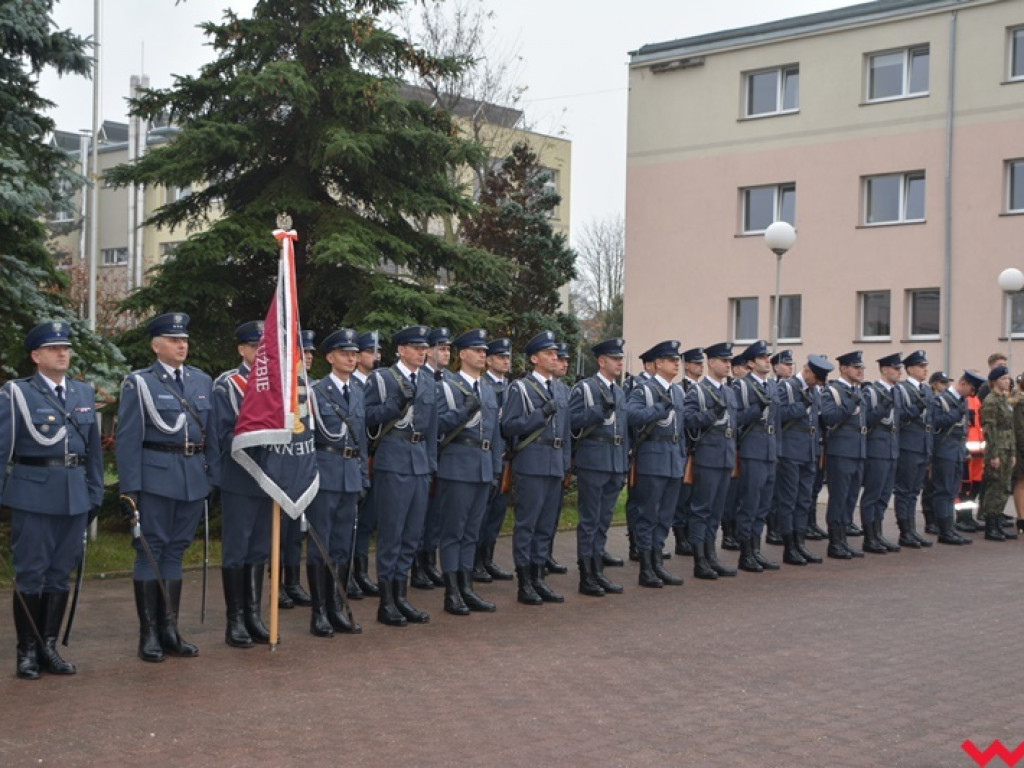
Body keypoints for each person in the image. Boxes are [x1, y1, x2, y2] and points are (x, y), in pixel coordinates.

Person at [0, 321, 103, 679]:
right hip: (33, 493)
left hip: (74, 496)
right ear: (36, 355)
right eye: (54, 348)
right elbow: (2, 450)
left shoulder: (82, 393)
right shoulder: (17, 394)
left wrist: (95, 492)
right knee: (31, 574)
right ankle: (26, 652)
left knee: (60, 574)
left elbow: (92, 453)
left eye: (66, 348)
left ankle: (49, 647)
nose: (63, 353)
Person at [116, 312, 218, 662]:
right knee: (150, 550)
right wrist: (130, 490)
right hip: (156, 477)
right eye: (174, 340)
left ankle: (170, 629)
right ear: (156, 345)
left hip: (192, 478)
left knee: (175, 552)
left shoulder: (201, 381)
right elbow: (128, 440)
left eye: (185, 339)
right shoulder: (140, 383)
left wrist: (212, 477)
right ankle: (149, 634)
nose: (182, 345)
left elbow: (213, 434)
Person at [364, 325, 437, 626]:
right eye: (416, 347)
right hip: (393, 460)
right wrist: (393, 406)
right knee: (392, 534)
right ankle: (386, 602)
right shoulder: (381, 379)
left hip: (419, 461)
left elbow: (431, 429)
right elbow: (365, 419)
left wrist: (431, 464)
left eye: (425, 348)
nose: (422, 352)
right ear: (401, 350)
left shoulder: (429, 381)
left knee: (412, 534)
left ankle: (402, 596)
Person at [211, 321, 273, 648]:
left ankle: (254, 615)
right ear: (242, 350)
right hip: (240, 476)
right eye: (255, 346)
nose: (262, 352)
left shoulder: (280, 384)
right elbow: (223, 434)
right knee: (237, 550)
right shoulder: (229, 385)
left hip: (269, 479)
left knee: (259, 549)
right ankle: (234, 619)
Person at [502, 331, 572, 605]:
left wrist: (565, 463)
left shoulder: (559, 389)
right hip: (531, 462)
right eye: (548, 353)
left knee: (545, 526)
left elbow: (565, 432)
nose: (555, 357)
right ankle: (524, 582)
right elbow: (509, 426)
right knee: (527, 524)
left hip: (554, 462)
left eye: (556, 353)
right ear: (534, 359)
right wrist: (539, 415)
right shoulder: (520, 388)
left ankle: (539, 577)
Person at [435, 329, 502, 614]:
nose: (483, 355)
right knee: (454, 531)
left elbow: (496, 433)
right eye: (478, 351)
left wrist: (496, 469)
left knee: (472, 532)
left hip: (483, 467)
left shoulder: (487, 388)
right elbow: (435, 425)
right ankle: (452, 592)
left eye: (485, 352)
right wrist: (462, 412)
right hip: (457, 465)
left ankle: (466, 588)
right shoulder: (447, 386)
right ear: (462, 354)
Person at [306, 328, 368, 636]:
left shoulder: (357, 391)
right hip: (325, 473)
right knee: (322, 545)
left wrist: (363, 477)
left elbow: (362, 441)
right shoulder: (317, 392)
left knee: (344, 545)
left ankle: (337, 606)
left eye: (355, 354)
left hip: (350, 475)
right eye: (345, 353)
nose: (351, 358)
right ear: (330, 357)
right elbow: (306, 439)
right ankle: (319, 612)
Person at [570, 338, 629, 596]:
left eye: (621, 359)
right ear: (601, 361)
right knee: (590, 520)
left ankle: (597, 571)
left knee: (603, 520)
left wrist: (624, 464)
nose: (619, 363)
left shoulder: (619, 390)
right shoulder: (585, 388)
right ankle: (586, 575)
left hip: (614, 460)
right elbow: (571, 422)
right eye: (615, 359)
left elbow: (624, 430)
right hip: (593, 460)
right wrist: (596, 412)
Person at [627, 340, 686, 587]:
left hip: (673, 458)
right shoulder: (644, 389)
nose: (676, 364)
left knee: (665, 515)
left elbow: (681, 429)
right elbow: (631, 415)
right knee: (648, 514)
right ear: (659, 363)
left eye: (677, 360)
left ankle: (658, 562)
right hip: (652, 456)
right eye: (671, 360)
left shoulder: (678, 391)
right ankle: (645, 567)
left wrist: (682, 456)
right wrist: (658, 410)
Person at [683, 342, 739, 580]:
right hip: (707, 455)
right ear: (712, 362)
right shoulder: (698, 390)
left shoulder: (729, 391)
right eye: (724, 361)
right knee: (702, 510)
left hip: (725, 454)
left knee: (716, 511)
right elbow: (688, 420)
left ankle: (711, 555)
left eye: (729, 361)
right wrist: (709, 414)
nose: (728, 365)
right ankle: (700, 560)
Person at [775, 355, 833, 565]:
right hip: (790, 451)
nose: (817, 384)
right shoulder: (787, 387)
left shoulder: (814, 390)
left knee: (805, 500)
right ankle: (789, 547)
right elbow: (777, 414)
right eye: (816, 379)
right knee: (789, 500)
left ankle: (800, 543)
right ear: (807, 371)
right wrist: (801, 405)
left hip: (809, 451)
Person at [732, 340, 781, 572]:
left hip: (769, 449)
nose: (767, 361)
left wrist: (777, 449)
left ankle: (756, 550)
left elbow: (777, 422)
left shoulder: (772, 386)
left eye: (768, 357)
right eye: (762, 358)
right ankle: (745, 553)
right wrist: (755, 410)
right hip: (752, 449)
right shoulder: (741, 386)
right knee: (749, 503)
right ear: (750, 363)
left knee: (763, 505)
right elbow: (737, 419)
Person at [277, 330, 316, 609]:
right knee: (279, 530)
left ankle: (292, 581)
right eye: (303, 352)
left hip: (302, 464)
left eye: (310, 352)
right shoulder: (282, 386)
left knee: (295, 531)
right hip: (282, 465)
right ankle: (276, 582)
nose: (308, 357)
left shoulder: (311, 387)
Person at [412, 327, 451, 590]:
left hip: (440, 455)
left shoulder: (447, 379)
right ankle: (417, 566)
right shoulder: (422, 378)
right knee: (419, 517)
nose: (446, 353)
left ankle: (428, 562)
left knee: (435, 516)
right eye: (441, 348)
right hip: (420, 454)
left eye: (448, 349)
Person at [819, 350, 867, 560]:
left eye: (861, 368)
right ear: (844, 369)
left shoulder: (858, 391)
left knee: (850, 497)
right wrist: (851, 402)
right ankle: (835, 542)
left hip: (858, 450)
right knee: (839, 497)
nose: (860, 371)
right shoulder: (832, 391)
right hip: (840, 451)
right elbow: (829, 417)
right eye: (856, 368)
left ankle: (844, 539)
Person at [474, 337, 515, 583]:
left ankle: (487, 559)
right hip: (486, 455)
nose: (506, 361)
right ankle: (475, 561)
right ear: (489, 360)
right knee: (482, 513)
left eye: (508, 357)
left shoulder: (511, 387)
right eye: (501, 357)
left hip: (505, 456)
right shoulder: (482, 384)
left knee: (497, 513)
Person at [930, 370, 984, 545]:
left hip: (957, 452)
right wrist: (954, 415)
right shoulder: (941, 400)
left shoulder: (962, 401)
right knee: (943, 491)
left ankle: (950, 528)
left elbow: (964, 429)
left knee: (952, 491)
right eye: (970, 389)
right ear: (963, 384)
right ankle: (944, 530)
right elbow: (934, 423)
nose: (971, 394)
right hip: (944, 451)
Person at [858, 352, 903, 554]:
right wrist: (882, 409)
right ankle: (869, 536)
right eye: (896, 368)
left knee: (885, 494)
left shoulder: (897, 391)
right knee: (873, 493)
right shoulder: (871, 392)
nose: (899, 372)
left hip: (892, 445)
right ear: (885, 370)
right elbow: (865, 420)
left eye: (900, 368)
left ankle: (878, 533)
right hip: (877, 445)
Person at [349, 330, 382, 599]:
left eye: (378, 351)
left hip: (376, 459)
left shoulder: (380, 383)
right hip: (356, 457)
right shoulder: (353, 385)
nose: (376, 356)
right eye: (370, 351)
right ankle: (348, 573)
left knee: (368, 520)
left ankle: (361, 572)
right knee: (351, 520)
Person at [893, 350, 935, 548]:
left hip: (922, 445)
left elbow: (931, 420)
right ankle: (904, 531)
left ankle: (912, 529)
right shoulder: (901, 389)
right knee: (904, 490)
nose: (925, 370)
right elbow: (899, 416)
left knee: (914, 491)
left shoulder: (927, 390)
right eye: (921, 366)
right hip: (908, 445)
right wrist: (916, 408)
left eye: (925, 366)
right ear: (909, 369)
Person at [672, 346, 704, 557]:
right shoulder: (680, 388)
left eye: (702, 363)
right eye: (696, 363)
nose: (700, 367)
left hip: (700, 448)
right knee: (682, 496)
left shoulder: (702, 389)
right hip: (685, 448)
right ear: (688, 365)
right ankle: (680, 537)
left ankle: (693, 536)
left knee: (696, 496)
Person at [624, 351, 656, 562]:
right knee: (637, 499)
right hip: (639, 448)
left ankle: (648, 545)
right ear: (649, 365)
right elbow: (628, 417)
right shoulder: (636, 385)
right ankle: (635, 541)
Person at [979, 365, 1015, 541]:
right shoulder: (991, 401)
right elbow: (989, 429)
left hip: (1007, 447)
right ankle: (991, 526)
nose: (1007, 382)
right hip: (997, 448)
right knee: (995, 487)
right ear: (994, 381)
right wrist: (993, 454)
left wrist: (1013, 451)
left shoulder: (1005, 400)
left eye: (1008, 378)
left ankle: (998, 523)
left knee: (1004, 487)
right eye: (1003, 379)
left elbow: (1011, 427)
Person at [720, 349, 750, 552]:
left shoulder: (733, 389)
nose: (747, 371)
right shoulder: (735, 388)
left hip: (735, 448)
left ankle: (734, 532)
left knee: (738, 494)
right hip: (731, 448)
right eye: (745, 367)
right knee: (729, 496)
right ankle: (728, 533)